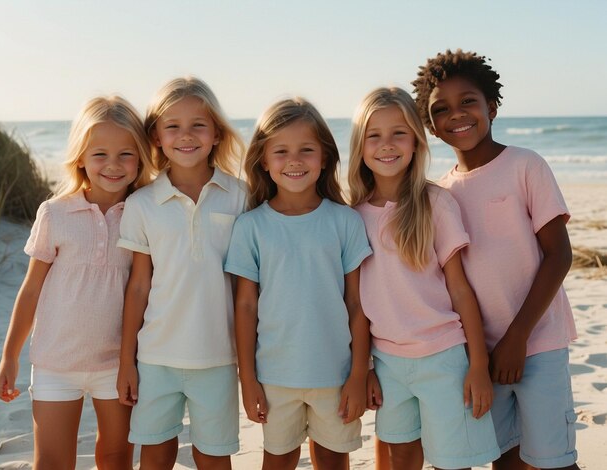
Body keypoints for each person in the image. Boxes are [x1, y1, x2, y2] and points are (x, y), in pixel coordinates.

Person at [413, 49, 579, 470]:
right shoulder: (440, 194)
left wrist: (518, 337)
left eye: (467, 101)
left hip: (536, 342)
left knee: (554, 461)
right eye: (441, 110)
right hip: (481, 356)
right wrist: (480, 355)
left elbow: (559, 255)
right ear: (431, 127)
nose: (457, 114)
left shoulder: (525, 165)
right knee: (505, 460)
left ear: (491, 106)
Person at [0, 96, 154, 469]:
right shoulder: (55, 213)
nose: (113, 165)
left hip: (117, 364)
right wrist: (9, 357)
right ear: (80, 156)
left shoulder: (144, 213)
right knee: (51, 461)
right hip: (54, 362)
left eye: (126, 154)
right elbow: (31, 289)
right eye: (100, 154)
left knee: (115, 458)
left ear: (141, 157)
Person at [349, 87, 500, 470]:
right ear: (360, 146)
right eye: (374, 135)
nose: (387, 145)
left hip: (444, 358)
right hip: (387, 362)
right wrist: (365, 368)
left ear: (416, 142)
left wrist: (478, 366)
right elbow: (358, 306)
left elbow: (461, 291)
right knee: (400, 454)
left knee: (453, 462)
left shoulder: (436, 203)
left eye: (398, 133)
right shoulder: (351, 217)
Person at [225, 97, 372, 470]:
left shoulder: (345, 222)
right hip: (274, 375)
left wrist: (358, 374)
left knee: (333, 461)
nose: (294, 160)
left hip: (335, 374)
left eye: (306, 150)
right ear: (263, 159)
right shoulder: (251, 227)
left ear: (324, 158)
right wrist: (249, 380)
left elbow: (357, 305)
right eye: (281, 151)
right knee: (277, 460)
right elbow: (245, 306)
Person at [116, 77, 247, 470]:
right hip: (156, 356)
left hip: (219, 357)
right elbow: (138, 286)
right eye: (172, 126)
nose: (185, 136)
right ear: (155, 135)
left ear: (217, 133)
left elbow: (246, 287)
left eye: (198, 125)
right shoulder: (141, 204)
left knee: (214, 455)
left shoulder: (241, 195)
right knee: (155, 453)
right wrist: (127, 361)